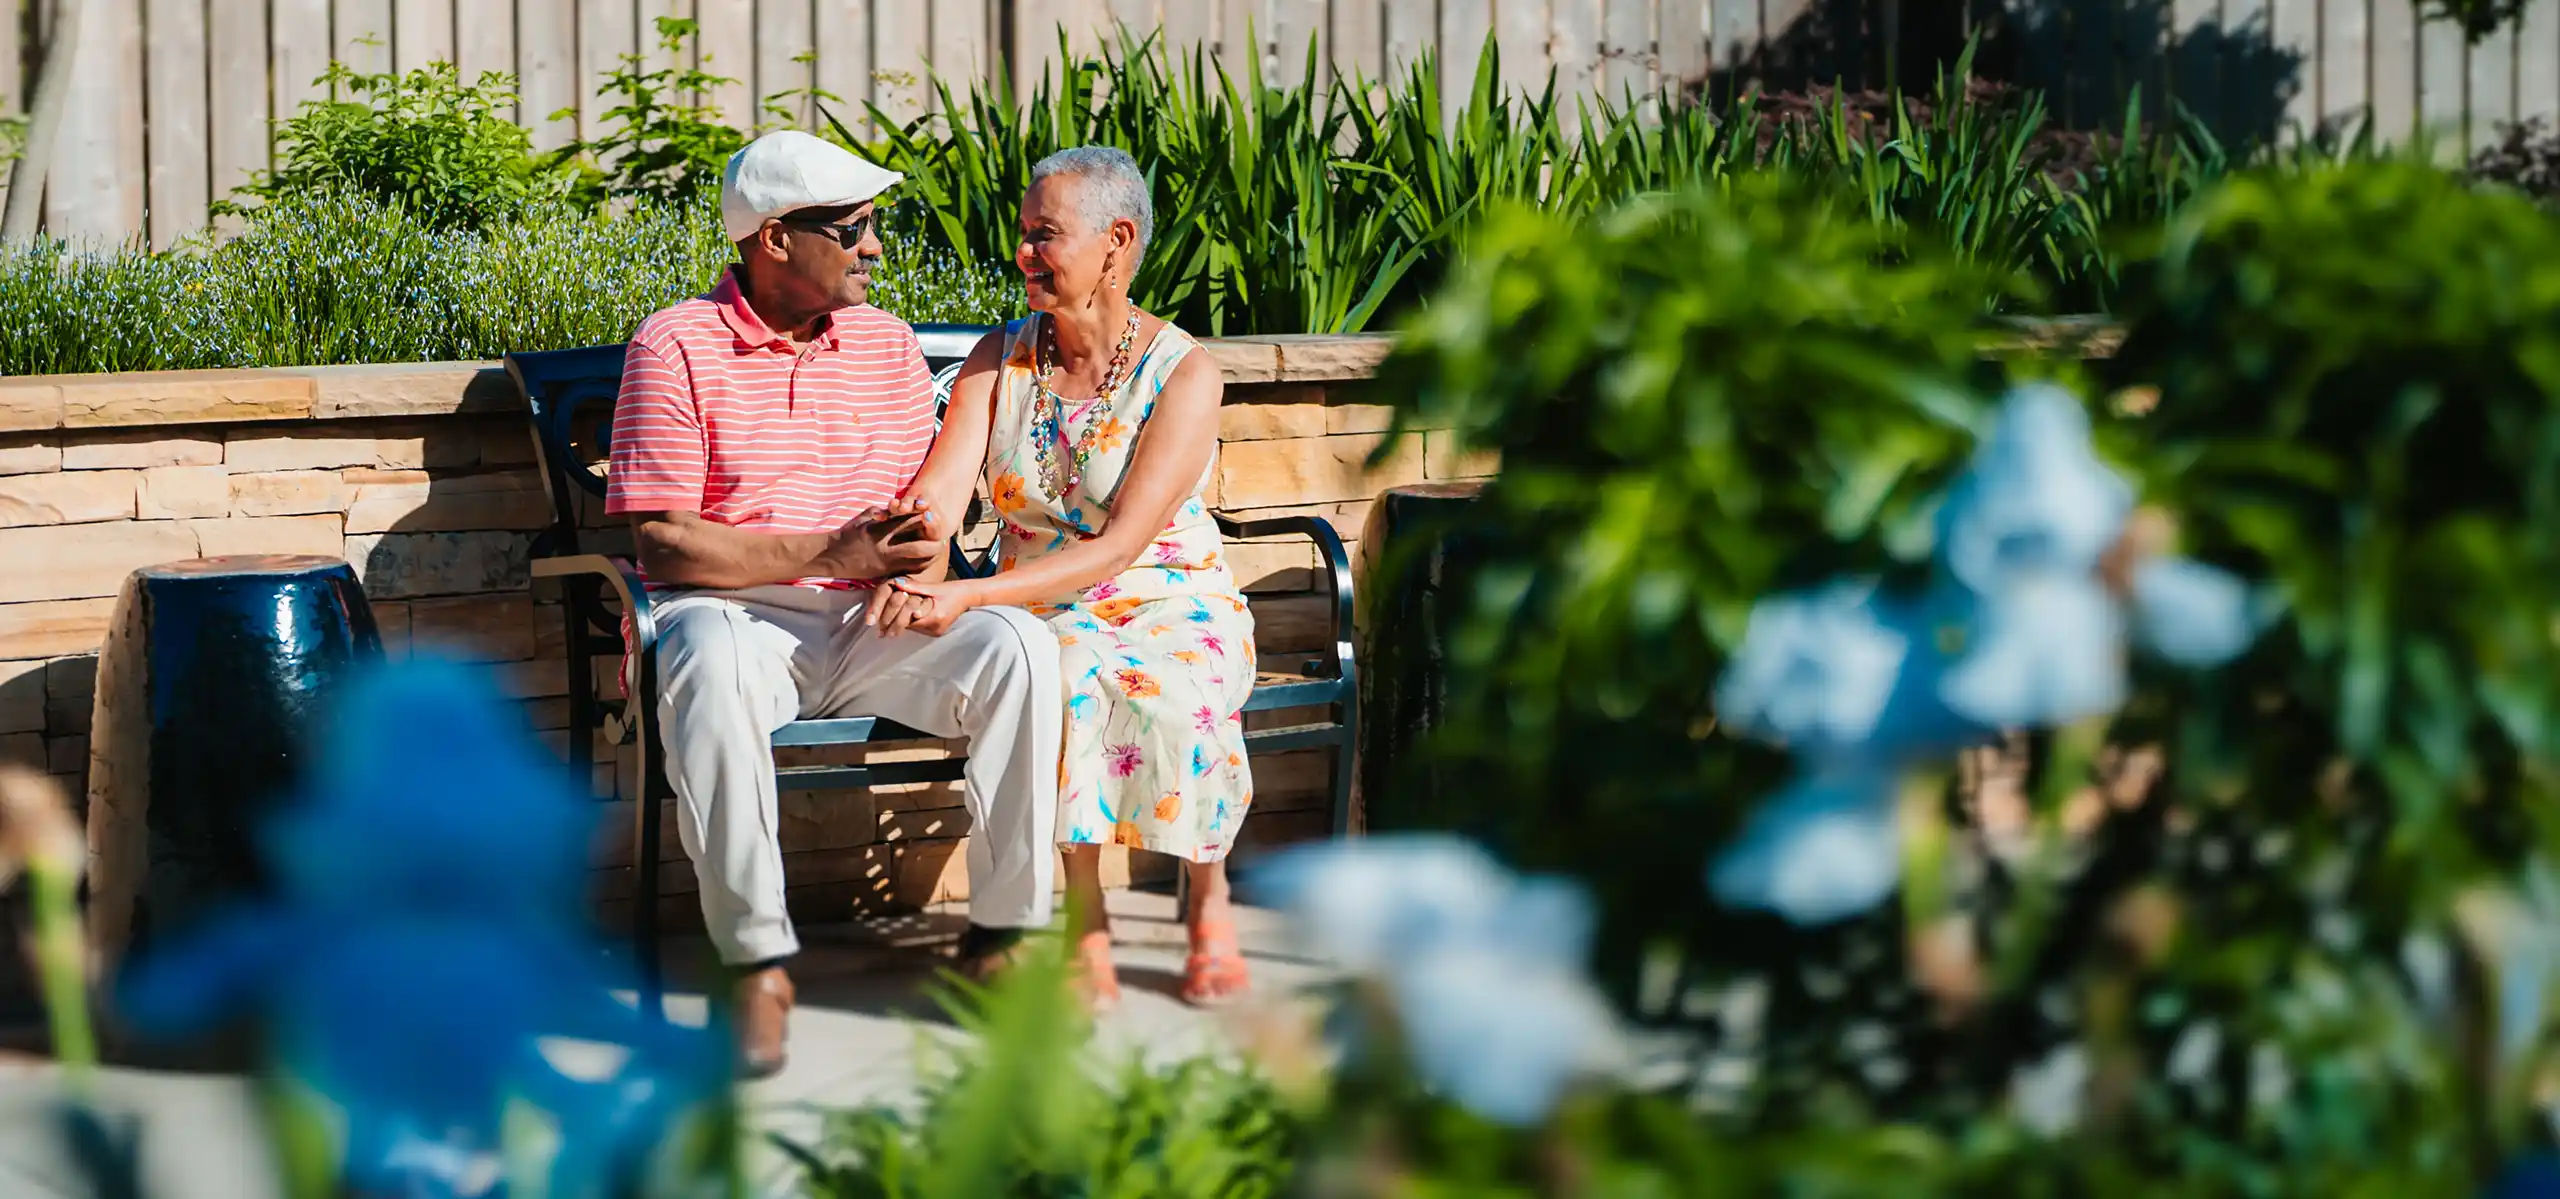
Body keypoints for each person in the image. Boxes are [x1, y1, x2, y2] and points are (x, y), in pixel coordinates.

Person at [604, 130, 1065, 1076]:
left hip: (870, 620)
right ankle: (759, 965)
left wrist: (918, 567)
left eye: (873, 225)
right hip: (735, 614)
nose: (875, 247)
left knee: (1018, 645)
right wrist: (828, 549)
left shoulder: (887, 343)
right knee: (711, 663)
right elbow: (662, 542)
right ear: (774, 238)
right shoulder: (676, 343)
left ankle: (1003, 937)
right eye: (852, 228)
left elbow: (921, 509)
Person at [870, 145, 1255, 1009]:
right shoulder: (996, 359)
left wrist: (963, 593)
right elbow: (939, 493)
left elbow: (1120, 548)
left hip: (1166, 590)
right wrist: (907, 548)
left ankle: (1210, 891)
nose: (1022, 256)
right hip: (1036, 599)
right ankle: (1084, 918)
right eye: (1022, 235)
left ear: (1117, 242)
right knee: (1063, 673)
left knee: (1173, 687)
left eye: (1044, 237)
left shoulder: (1184, 372)